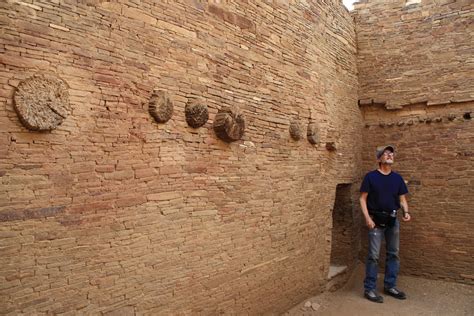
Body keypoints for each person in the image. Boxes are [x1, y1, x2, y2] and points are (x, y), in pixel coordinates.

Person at [359, 145, 411, 303]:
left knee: (393, 254)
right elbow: (362, 199)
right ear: (379, 158)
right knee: (374, 256)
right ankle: (369, 289)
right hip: (375, 220)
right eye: (386, 154)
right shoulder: (370, 177)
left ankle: (390, 286)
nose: (390, 156)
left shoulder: (397, 178)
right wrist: (367, 218)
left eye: (391, 154)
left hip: (393, 221)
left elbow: (402, 199)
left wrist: (406, 212)